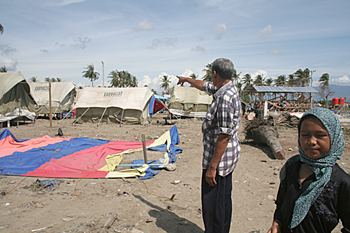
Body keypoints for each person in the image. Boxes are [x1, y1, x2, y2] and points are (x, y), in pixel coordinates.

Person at [176, 58, 241, 233]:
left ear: (215, 73)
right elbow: (204, 85)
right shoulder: (226, 88)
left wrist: (212, 167)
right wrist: (187, 80)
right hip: (227, 160)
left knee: (213, 207)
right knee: (222, 202)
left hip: (218, 163)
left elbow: (224, 135)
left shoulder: (225, 98)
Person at [267, 107, 350, 233]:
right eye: (305, 135)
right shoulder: (291, 168)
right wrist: (277, 223)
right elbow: (281, 204)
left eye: (320, 135)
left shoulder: (341, 182)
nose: (311, 141)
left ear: (334, 137)